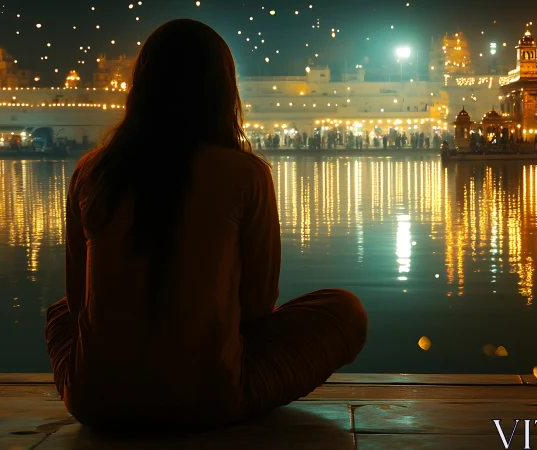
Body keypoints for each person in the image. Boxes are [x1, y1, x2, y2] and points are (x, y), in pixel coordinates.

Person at [45, 19, 367, 430]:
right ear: (223, 91)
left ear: (140, 89)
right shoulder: (244, 174)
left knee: (58, 312)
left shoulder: (92, 172)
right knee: (344, 311)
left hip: (96, 402)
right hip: (211, 400)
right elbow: (256, 305)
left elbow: (77, 302)